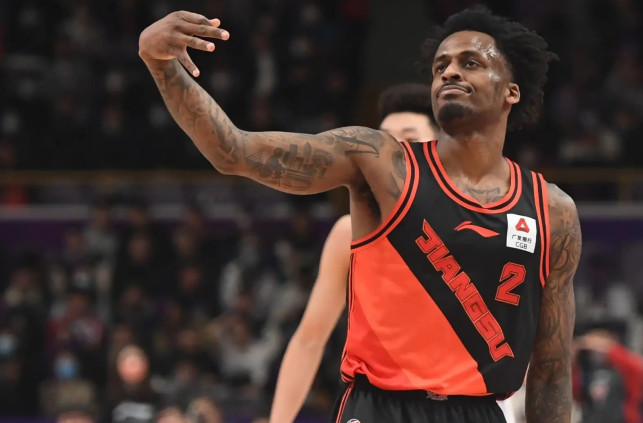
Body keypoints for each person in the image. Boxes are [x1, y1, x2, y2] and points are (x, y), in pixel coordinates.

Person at [138, 5, 581, 423]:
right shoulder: (381, 162)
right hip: (378, 406)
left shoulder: (552, 212)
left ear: (511, 91)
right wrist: (160, 63)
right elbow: (234, 150)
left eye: (470, 62)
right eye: (440, 65)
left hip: (478, 411)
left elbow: (551, 371)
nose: (449, 71)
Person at [267, 83, 438, 423]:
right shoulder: (349, 232)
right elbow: (309, 340)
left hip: (455, 401)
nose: (394, 151)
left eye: (410, 140)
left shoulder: (474, 227)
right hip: (375, 404)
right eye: (385, 140)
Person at [572, 325, 643, 423]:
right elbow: (574, 393)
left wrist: (601, 345)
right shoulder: (585, 370)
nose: (596, 351)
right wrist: (575, 354)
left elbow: (637, 367)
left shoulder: (625, 368)